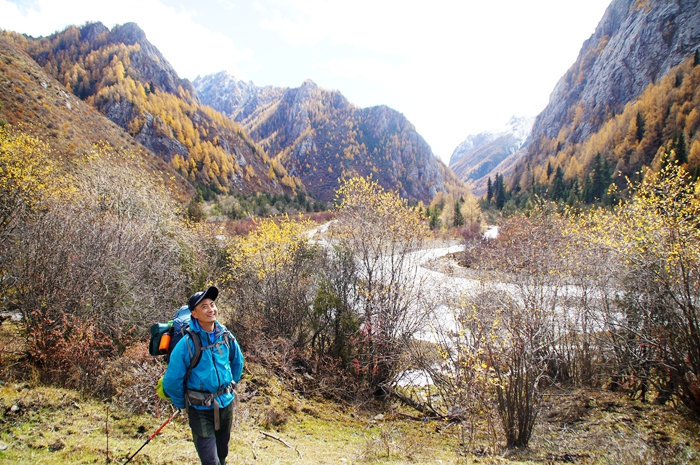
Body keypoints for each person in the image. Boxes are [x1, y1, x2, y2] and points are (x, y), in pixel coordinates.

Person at [163, 286, 244, 465]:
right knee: (210, 460)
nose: (210, 309)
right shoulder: (187, 344)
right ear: (194, 313)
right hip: (200, 410)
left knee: (222, 455)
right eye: (204, 306)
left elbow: (238, 362)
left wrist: (230, 385)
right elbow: (171, 381)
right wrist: (181, 403)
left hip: (226, 405)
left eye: (212, 304)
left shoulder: (226, 336)